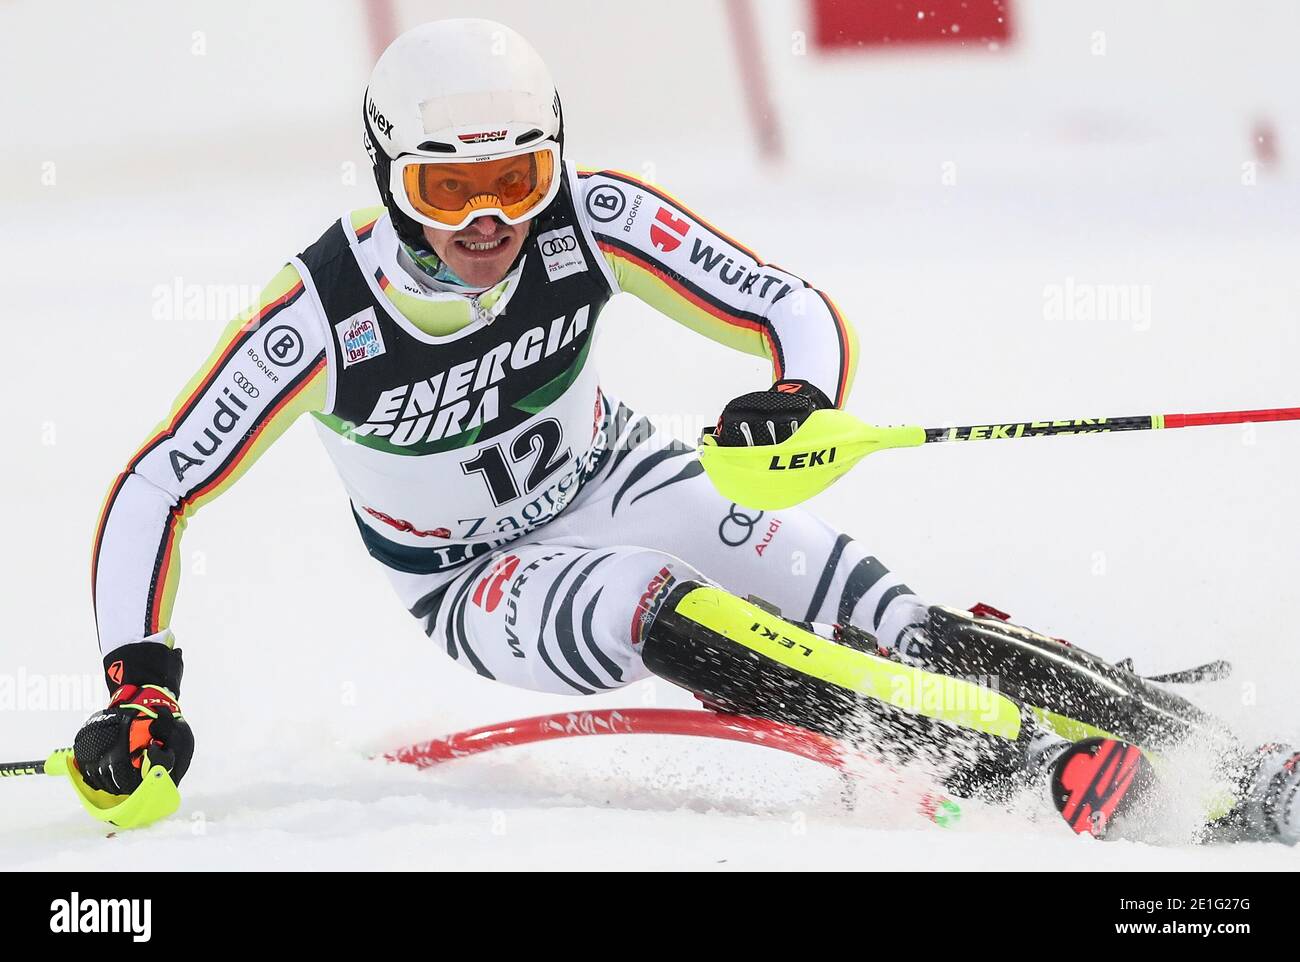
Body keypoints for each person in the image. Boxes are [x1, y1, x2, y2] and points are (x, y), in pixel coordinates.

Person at [73, 18, 1299, 843]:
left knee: (877, 606)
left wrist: (796, 397)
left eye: (520, 174)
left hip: (622, 473)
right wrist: (141, 685)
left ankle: (1225, 761)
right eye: (449, 189)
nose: (490, 218)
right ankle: (1019, 764)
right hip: (476, 574)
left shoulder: (589, 220)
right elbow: (156, 486)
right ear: (388, 172)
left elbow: (787, 305)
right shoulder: (318, 319)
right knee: (650, 598)